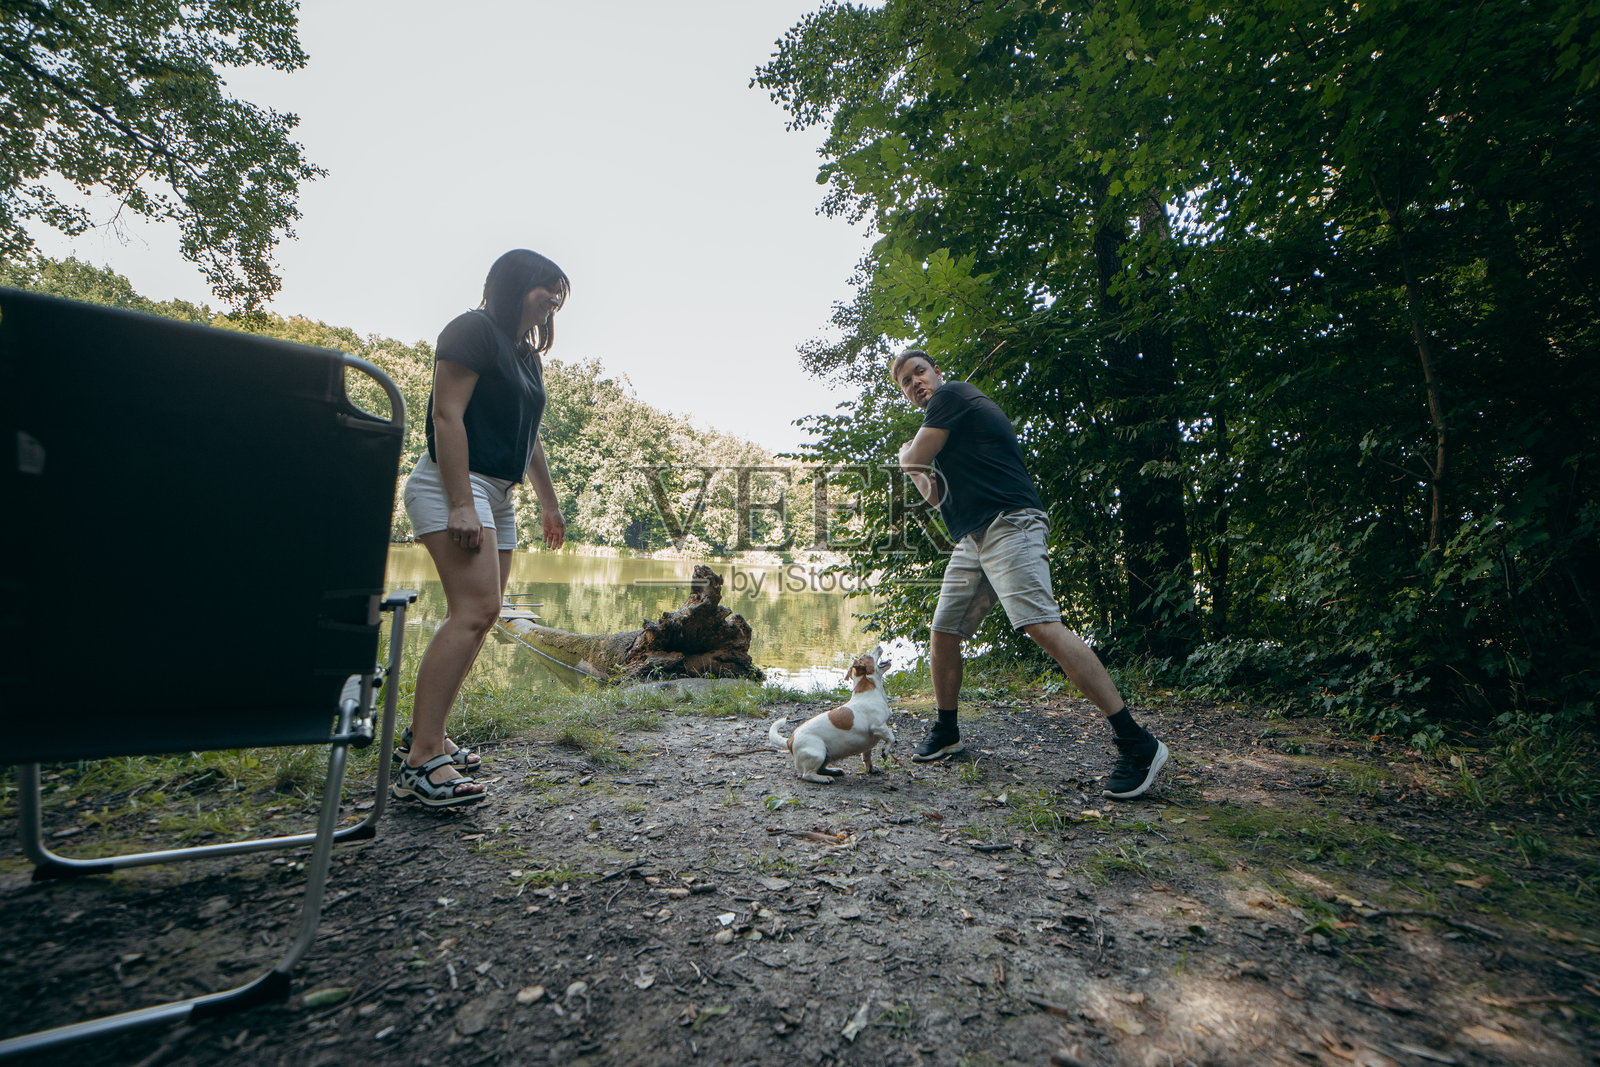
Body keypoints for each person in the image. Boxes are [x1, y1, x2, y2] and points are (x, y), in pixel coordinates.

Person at [891, 348, 1168, 799]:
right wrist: (916, 465)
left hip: (1010, 522)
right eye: (906, 381)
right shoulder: (946, 427)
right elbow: (938, 497)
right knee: (944, 630)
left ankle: (1137, 742)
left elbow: (913, 459)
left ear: (937, 372)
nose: (916, 382)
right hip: (973, 537)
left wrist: (908, 458)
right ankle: (947, 731)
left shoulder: (954, 397)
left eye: (919, 371)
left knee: (1040, 625)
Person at [394, 249, 569, 807]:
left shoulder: (525, 357)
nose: (554, 299)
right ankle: (421, 761)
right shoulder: (472, 330)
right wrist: (460, 503)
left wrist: (549, 501)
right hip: (454, 482)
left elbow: (530, 436)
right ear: (515, 284)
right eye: (547, 287)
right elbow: (447, 415)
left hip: (498, 491)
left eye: (559, 292)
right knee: (471, 612)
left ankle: (430, 734)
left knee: (484, 614)